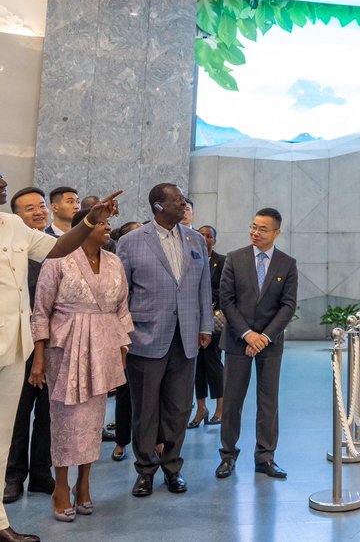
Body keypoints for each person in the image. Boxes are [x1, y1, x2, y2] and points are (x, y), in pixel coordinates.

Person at [0, 162, 119, 542]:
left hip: (14, 350)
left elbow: (57, 249)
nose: (3, 183)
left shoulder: (12, 226)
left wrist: (89, 221)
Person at [30, 209, 132, 522]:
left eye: (107, 223)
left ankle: (84, 483)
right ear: (83, 227)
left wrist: (123, 347)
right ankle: (61, 486)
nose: (107, 227)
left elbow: (122, 308)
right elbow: (40, 311)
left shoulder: (114, 261)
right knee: (64, 419)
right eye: (101, 223)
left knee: (93, 420)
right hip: (66, 346)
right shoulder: (58, 259)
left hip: (103, 346)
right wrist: (38, 357)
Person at [116, 184, 212, 497]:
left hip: (186, 338)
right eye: (177, 199)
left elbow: (203, 288)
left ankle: (173, 468)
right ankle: (145, 471)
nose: (184, 203)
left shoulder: (195, 239)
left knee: (178, 408)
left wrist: (206, 326)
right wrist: (122, 335)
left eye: (184, 198)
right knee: (145, 410)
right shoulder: (131, 241)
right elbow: (122, 293)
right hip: (145, 337)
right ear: (159, 206)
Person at [216, 208, 299, 480]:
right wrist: (247, 334)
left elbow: (288, 305)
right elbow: (226, 300)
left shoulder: (287, 264)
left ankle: (265, 457)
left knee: (268, 401)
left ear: (276, 233)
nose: (255, 232)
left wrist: (263, 337)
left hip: (269, 344)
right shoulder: (234, 259)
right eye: (253, 226)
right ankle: (228, 455)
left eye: (263, 229)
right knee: (232, 402)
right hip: (238, 340)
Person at [3, 187, 54, 504]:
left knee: (50, 413)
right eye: (29, 208)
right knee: (18, 414)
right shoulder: (13, 246)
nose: (38, 211)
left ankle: (41, 474)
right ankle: (12, 476)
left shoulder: (59, 247)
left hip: (57, 343)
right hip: (20, 343)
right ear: (16, 216)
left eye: (41, 205)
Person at [107, 221, 142, 461]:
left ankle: (152, 442)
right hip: (124, 334)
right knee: (125, 391)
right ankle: (121, 441)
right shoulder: (115, 264)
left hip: (149, 333)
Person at [189, 225, 225, 428]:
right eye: (201, 235)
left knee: (213, 364)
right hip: (192, 321)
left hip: (214, 321)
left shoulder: (221, 261)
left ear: (214, 240)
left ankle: (221, 407)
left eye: (208, 236)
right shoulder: (192, 259)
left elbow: (225, 290)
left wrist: (206, 298)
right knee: (197, 367)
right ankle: (201, 408)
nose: (204, 238)